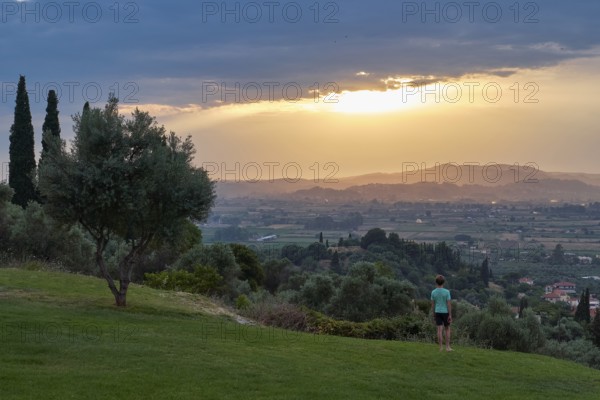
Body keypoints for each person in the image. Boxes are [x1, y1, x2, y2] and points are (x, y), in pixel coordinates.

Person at [431, 274, 452, 351]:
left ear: (436, 282)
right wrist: (450, 315)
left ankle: (440, 347)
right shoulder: (447, 292)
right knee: (447, 329)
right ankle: (447, 347)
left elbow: (433, 305)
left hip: (437, 312)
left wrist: (433, 314)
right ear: (443, 282)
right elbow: (449, 304)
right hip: (445, 312)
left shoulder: (433, 292)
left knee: (439, 330)